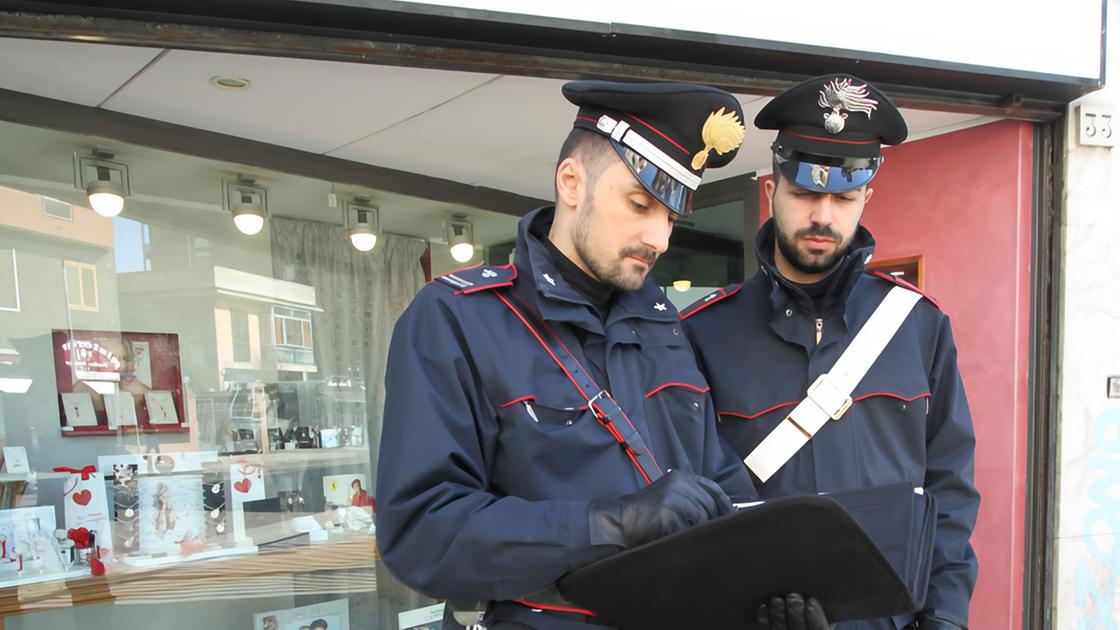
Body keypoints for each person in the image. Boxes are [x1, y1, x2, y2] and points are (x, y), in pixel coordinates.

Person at [376, 80, 822, 629]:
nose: (658, 237)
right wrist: (606, 524)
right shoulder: (457, 319)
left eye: (671, 217)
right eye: (640, 204)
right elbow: (421, 534)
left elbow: (718, 488)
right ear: (570, 182)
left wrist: (764, 591)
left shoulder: (666, 329)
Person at [681, 74, 980, 630]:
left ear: (866, 197)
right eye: (805, 193)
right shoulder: (700, 333)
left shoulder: (917, 326)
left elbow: (950, 493)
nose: (822, 216)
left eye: (842, 197)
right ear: (772, 190)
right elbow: (692, 503)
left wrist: (944, 619)